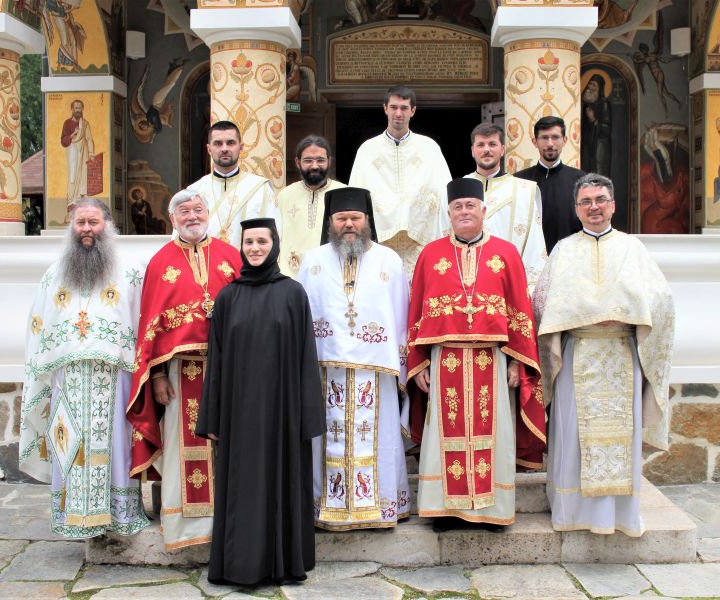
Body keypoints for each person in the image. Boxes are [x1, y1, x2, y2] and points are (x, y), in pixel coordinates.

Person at [533, 173, 675, 537]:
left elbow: (661, 299)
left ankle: (618, 516)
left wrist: (630, 312)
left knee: (620, 436)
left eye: (600, 200)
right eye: (586, 202)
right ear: (576, 209)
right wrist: (580, 315)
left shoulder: (633, 248)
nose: (593, 207)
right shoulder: (564, 250)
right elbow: (542, 301)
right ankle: (572, 513)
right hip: (577, 353)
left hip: (620, 354)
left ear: (612, 205)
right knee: (571, 435)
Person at [406, 178, 546, 530]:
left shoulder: (506, 254)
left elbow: (520, 311)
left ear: (484, 211)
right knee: (443, 433)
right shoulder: (430, 255)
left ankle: (492, 511)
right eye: (458, 207)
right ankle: (445, 510)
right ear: (449, 213)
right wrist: (418, 362)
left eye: (471, 206)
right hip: (444, 359)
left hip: (492, 360)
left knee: (494, 434)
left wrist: (517, 361)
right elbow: (416, 313)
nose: (464, 211)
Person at [195, 218, 325, 585]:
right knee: (243, 488)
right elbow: (217, 360)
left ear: (275, 245)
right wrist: (213, 417)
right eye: (248, 242)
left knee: (283, 486)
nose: (254, 248)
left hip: (284, 413)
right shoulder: (227, 297)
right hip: (239, 415)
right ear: (241, 247)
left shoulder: (293, 294)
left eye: (261, 242)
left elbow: (306, 356)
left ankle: (283, 564)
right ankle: (241, 564)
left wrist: (307, 414)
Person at [19, 197, 149, 539]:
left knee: (117, 443)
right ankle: (75, 515)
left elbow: (145, 322)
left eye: (93, 222)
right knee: (70, 442)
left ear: (107, 224)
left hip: (116, 375)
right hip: (69, 378)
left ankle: (119, 513)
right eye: (80, 223)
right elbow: (39, 326)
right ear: (71, 227)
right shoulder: (54, 274)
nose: (86, 229)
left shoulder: (132, 271)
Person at [126, 189, 242, 550]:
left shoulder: (230, 256)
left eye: (198, 209)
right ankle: (190, 527)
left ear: (208, 213)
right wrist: (158, 376)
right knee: (185, 444)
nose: (192, 216)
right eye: (184, 211)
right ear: (172, 219)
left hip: (230, 370)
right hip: (181, 372)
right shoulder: (161, 262)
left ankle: (234, 522)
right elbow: (151, 327)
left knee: (232, 443)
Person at [296, 187, 411, 530]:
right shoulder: (312, 261)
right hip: (324, 370)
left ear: (367, 220)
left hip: (377, 371)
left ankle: (381, 507)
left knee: (381, 440)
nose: (348, 224)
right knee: (324, 441)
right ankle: (325, 507)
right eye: (341, 218)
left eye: (355, 218)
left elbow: (402, 318)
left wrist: (403, 366)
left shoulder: (389, 261)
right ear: (330, 222)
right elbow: (301, 316)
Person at [349, 85, 451, 278]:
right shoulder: (367, 150)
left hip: (420, 241)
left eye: (404, 108)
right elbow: (355, 196)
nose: (398, 113)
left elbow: (445, 194)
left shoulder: (429, 148)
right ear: (385, 108)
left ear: (413, 110)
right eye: (394, 107)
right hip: (379, 243)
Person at [464, 123, 547, 291]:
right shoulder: (459, 189)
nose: (486, 150)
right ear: (472, 150)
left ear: (502, 149)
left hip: (508, 283)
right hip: (467, 284)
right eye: (481, 145)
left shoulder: (524, 190)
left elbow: (535, 244)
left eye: (492, 144)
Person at [187, 120, 280, 247]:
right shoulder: (193, 191)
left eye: (230, 143)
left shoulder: (260, 189)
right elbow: (181, 238)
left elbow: (275, 235)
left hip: (248, 260)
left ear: (241, 147)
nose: (224, 149)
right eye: (218, 143)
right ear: (209, 149)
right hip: (205, 259)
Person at [277, 135, 346, 276]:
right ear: (297, 162)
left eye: (320, 160)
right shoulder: (285, 195)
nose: (314, 166)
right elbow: (275, 237)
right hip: (290, 274)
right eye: (308, 160)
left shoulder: (343, 193)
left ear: (329, 161)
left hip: (331, 274)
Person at [514, 116, 584, 254]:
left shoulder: (581, 180)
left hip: (569, 257)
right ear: (535, 142)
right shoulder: (518, 181)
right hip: (529, 258)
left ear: (564, 140)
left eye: (555, 137)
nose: (550, 143)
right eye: (544, 138)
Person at [60, 99, 95, 213]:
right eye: (76, 108)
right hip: (73, 150)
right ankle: (71, 202)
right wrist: (73, 134)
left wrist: (91, 153)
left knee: (83, 174)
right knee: (73, 175)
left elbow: (89, 139)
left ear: (82, 109)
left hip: (84, 151)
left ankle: (81, 201)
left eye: (79, 108)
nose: (78, 110)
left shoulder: (85, 124)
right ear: (72, 109)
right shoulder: (67, 123)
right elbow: (63, 141)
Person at [581, 74, 612, 176]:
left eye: (594, 85)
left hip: (600, 144)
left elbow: (606, 128)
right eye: (589, 84)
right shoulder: (585, 104)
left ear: (599, 88)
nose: (590, 87)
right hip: (587, 142)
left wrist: (594, 120)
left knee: (599, 171)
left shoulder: (604, 103)